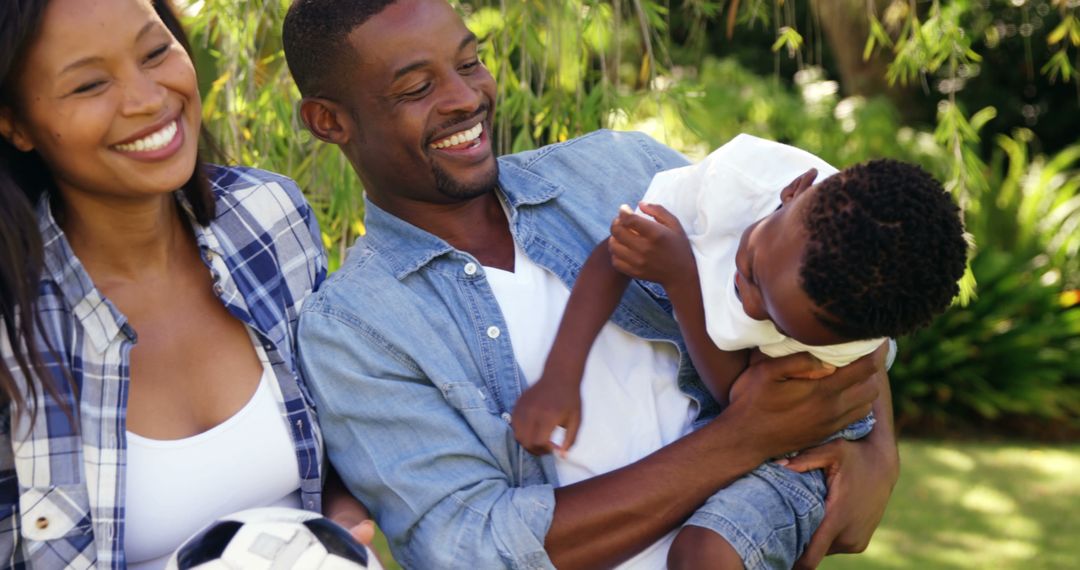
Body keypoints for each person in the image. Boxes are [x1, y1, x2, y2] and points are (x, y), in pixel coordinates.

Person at [284, 0, 897, 568]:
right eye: (417, 88)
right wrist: (747, 437)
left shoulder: (622, 169)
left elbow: (828, 279)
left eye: (470, 62)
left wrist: (879, 456)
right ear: (329, 121)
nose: (464, 97)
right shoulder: (355, 329)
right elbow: (469, 548)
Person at [0, 0, 370, 567]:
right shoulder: (13, 325)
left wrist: (341, 533)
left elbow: (339, 436)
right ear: (15, 122)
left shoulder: (268, 219)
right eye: (90, 84)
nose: (149, 99)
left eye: (155, 53)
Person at [512, 134, 968, 568]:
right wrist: (560, 377)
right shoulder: (733, 177)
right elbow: (624, 248)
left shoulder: (847, 333)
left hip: (810, 444)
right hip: (746, 419)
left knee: (704, 554)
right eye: (751, 267)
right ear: (794, 191)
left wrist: (683, 279)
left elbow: (745, 400)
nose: (748, 302)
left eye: (771, 317)